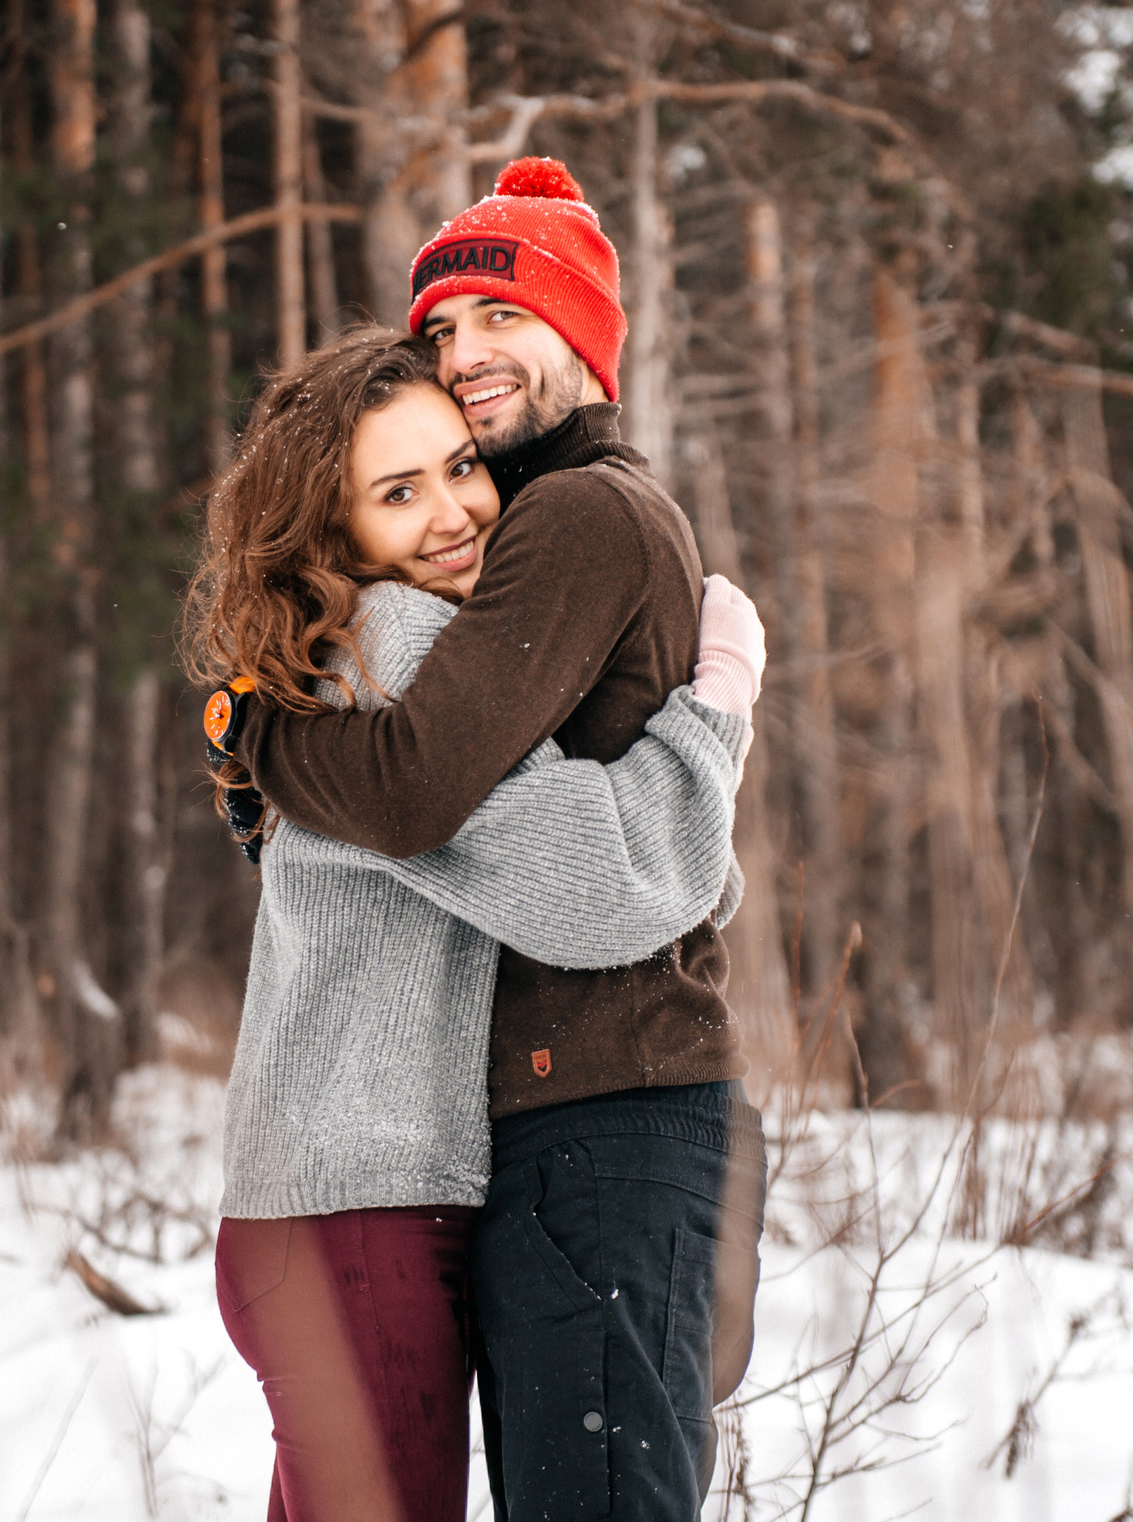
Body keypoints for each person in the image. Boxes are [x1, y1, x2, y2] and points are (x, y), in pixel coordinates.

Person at [215, 158, 768, 1517]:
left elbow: (442, 806)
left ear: (586, 337)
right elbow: (542, 835)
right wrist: (710, 735)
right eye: (445, 327)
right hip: (524, 1139)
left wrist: (259, 733)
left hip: (599, 1116)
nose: (466, 353)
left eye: (504, 317)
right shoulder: (418, 614)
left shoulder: (572, 514)